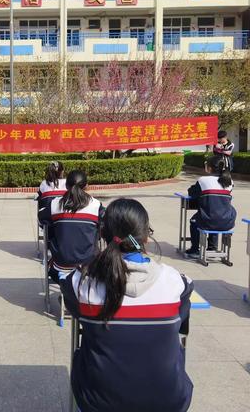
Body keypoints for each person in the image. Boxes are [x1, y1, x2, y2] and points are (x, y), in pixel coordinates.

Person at [62, 198, 194, 412]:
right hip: (167, 402)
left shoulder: (82, 283)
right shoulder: (175, 282)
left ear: (103, 235)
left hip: (99, 402)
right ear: (146, 237)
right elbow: (181, 321)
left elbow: (73, 307)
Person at [48, 170, 103, 282]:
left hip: (60, 265)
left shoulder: (55, 204)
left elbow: (41, 219)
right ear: (86, 186)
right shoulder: (96, 205)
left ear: (66, 185)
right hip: (89, 266)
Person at [185, 155, 237, 259]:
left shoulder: (203, 180)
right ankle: (212, 247)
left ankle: (195, 249)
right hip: (227, 220)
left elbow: (192, 193)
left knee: (195, 220)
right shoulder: (229, 181)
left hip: (208, 219)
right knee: (216, 214)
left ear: (209, 168)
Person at [37, 161, 66, 226]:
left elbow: (41, 198)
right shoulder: (67, 182)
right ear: (62, 172)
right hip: (65, 216)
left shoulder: (44, 183)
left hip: (49, 218)